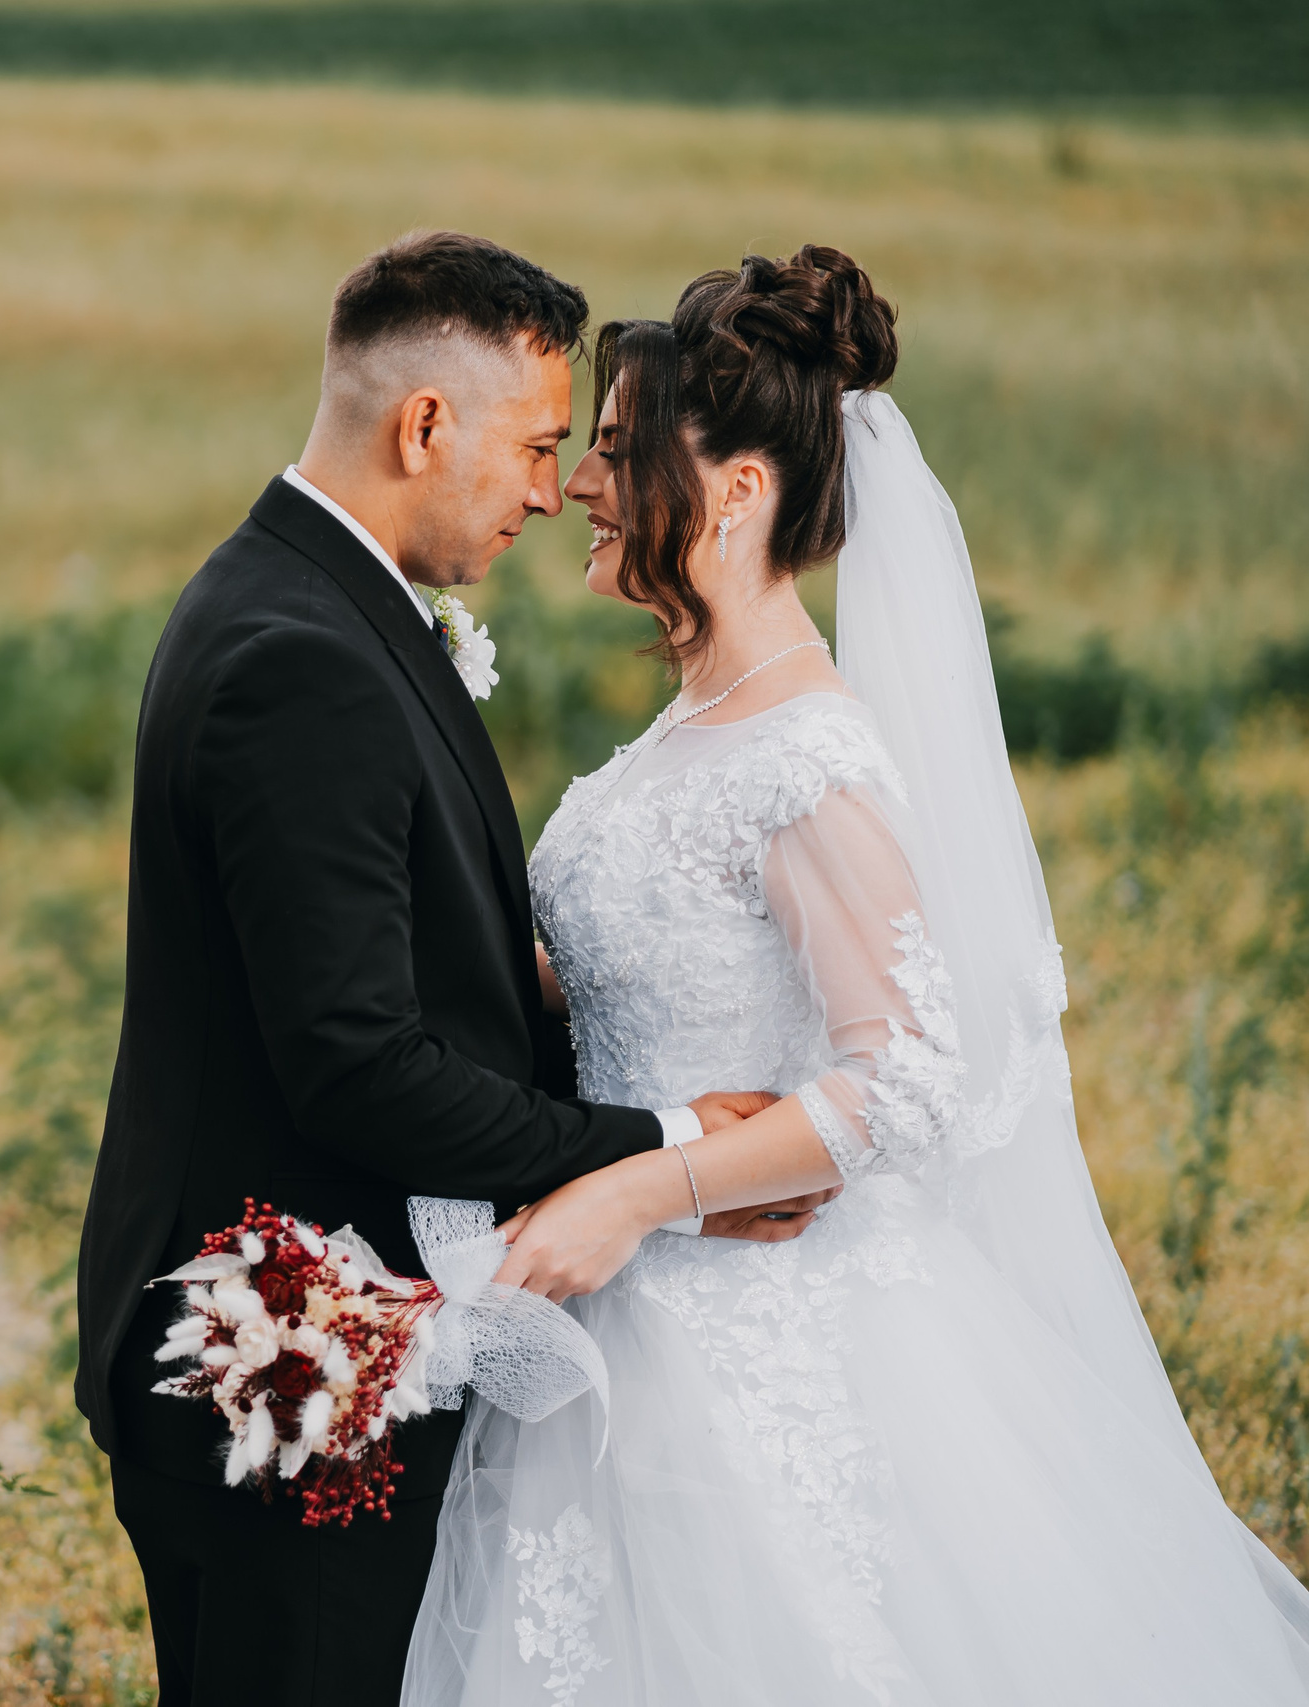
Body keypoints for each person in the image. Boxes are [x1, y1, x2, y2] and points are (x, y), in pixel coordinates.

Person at [399, 244, 1309, 1705]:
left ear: (741, 491)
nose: (580, 484)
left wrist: (639, 1189)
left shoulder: (804, 754)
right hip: (611, 1312)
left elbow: (908, 1075)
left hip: (757, 1320)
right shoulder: (686, 733)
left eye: (621, 454)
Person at [74, 231, 826, 1707]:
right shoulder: (305, 655)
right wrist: (669, 1145)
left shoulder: (302, 600)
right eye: (541, 444)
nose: (555, 491)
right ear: (426, 426)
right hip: (284, 1354)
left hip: (334, 1335)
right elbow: (354, 1062)